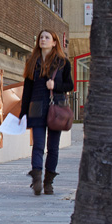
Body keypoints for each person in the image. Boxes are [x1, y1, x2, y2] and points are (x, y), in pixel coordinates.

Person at [19, 30, 74, 195]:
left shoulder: (63, 62)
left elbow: (69, 85)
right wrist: (23, 112)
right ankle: (37, 176)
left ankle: (48, 181)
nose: (43, 40)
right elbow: (27, 90)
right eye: (41, 37)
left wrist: (55, 86)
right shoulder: (32, 62)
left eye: (47, 37)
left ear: (54, 42)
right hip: (36, 106)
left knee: (53, 147)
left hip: (55, 107)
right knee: (38, 145)